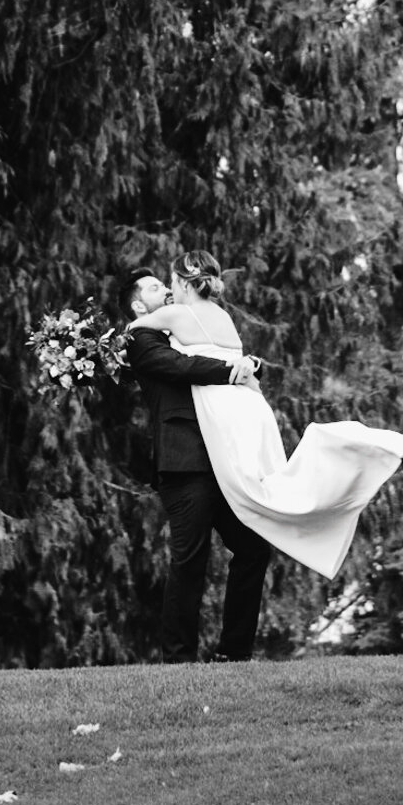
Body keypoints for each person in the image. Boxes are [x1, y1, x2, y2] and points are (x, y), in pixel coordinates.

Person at [130, 251, 403, 582]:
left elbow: (137, 333)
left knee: (235, 517)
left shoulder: (175, 314)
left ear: (184, 284)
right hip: (250, 407)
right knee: (263, 493)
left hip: (222, 412)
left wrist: (103, 343)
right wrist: (250, 365)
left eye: (170, 283)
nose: (168, 291)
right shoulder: (222, 315)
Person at [123, 261, 273, 663]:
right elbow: (181, 368)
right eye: (155, 289)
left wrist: (249, 364)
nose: (166, 291)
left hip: (225, 455)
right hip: (185, 458)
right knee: (190, 558)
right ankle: (178, 657)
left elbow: (219, 353)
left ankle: (234, 652)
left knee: (253, 548)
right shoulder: (140, 341)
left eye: (165, 284)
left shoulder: (188, 327)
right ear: (140, 307)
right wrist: (232, 371)